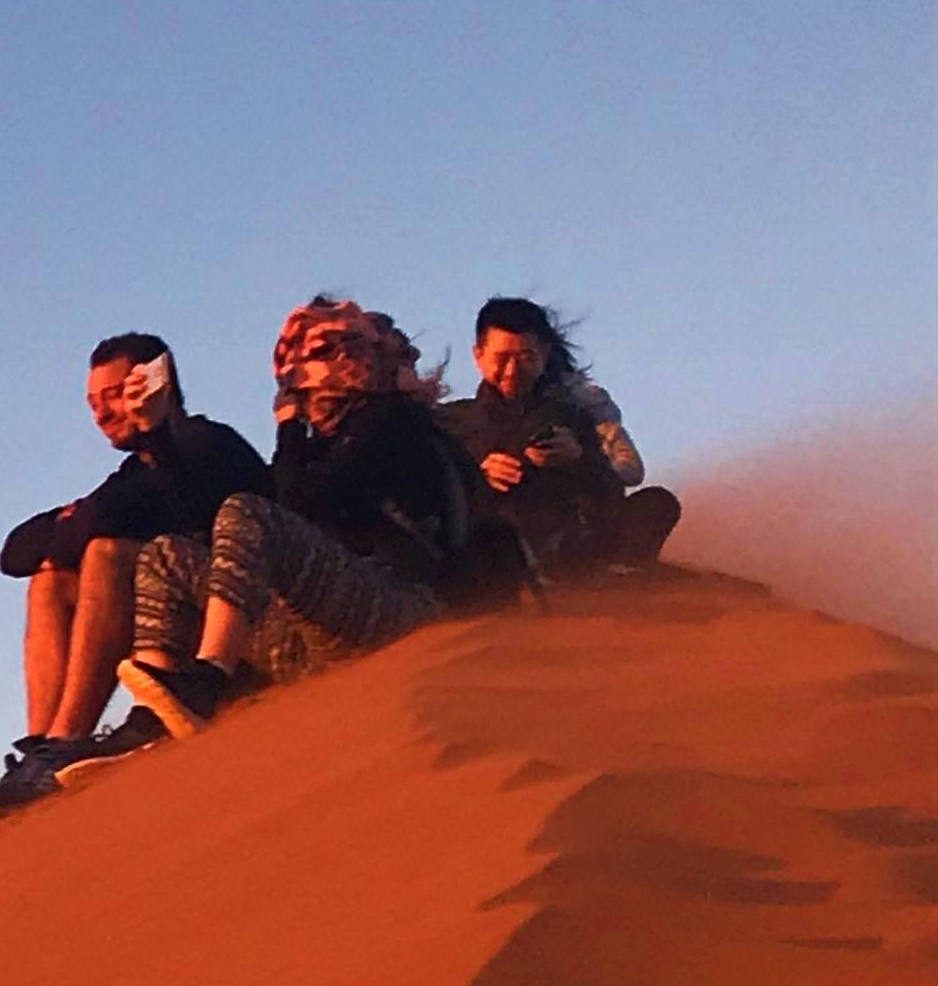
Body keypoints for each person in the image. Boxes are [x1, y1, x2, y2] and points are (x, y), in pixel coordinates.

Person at [116, 298, 464, 737]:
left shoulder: (392, 420)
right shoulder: (322, 442)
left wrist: (288, 431)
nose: (298, 377)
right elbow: (214, 528)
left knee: (248, 513)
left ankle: (208, 678)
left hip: (401, 615)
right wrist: (155, 434)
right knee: (164, 555)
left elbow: (294, 506)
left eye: (317, 356)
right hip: (318, 636)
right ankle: (150, 719)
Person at [0, 334, 269, 817]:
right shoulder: (129, 475)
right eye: (91, 403)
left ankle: (65, 743)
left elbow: (102, 523)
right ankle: (41, 748)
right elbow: (15, 553)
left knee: (104, 554)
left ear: (154, 382)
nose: (100, 414)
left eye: (112, 396)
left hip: (243, 633)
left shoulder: (207, 442)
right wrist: (78, 524)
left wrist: (76, 523)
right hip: (175, 627)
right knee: (51, 581)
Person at [448, 294, 676, 572]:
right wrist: (477, 478)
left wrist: (579, 460)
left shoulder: (572, 415)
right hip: (499, 549)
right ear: (478, 356)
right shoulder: (452, 421)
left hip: (572, 543)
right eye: (502, 358)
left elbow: (611, 496)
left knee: (656, 503)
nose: (512, 371)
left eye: (525, 357)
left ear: (544, 355)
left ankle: (617, 576)